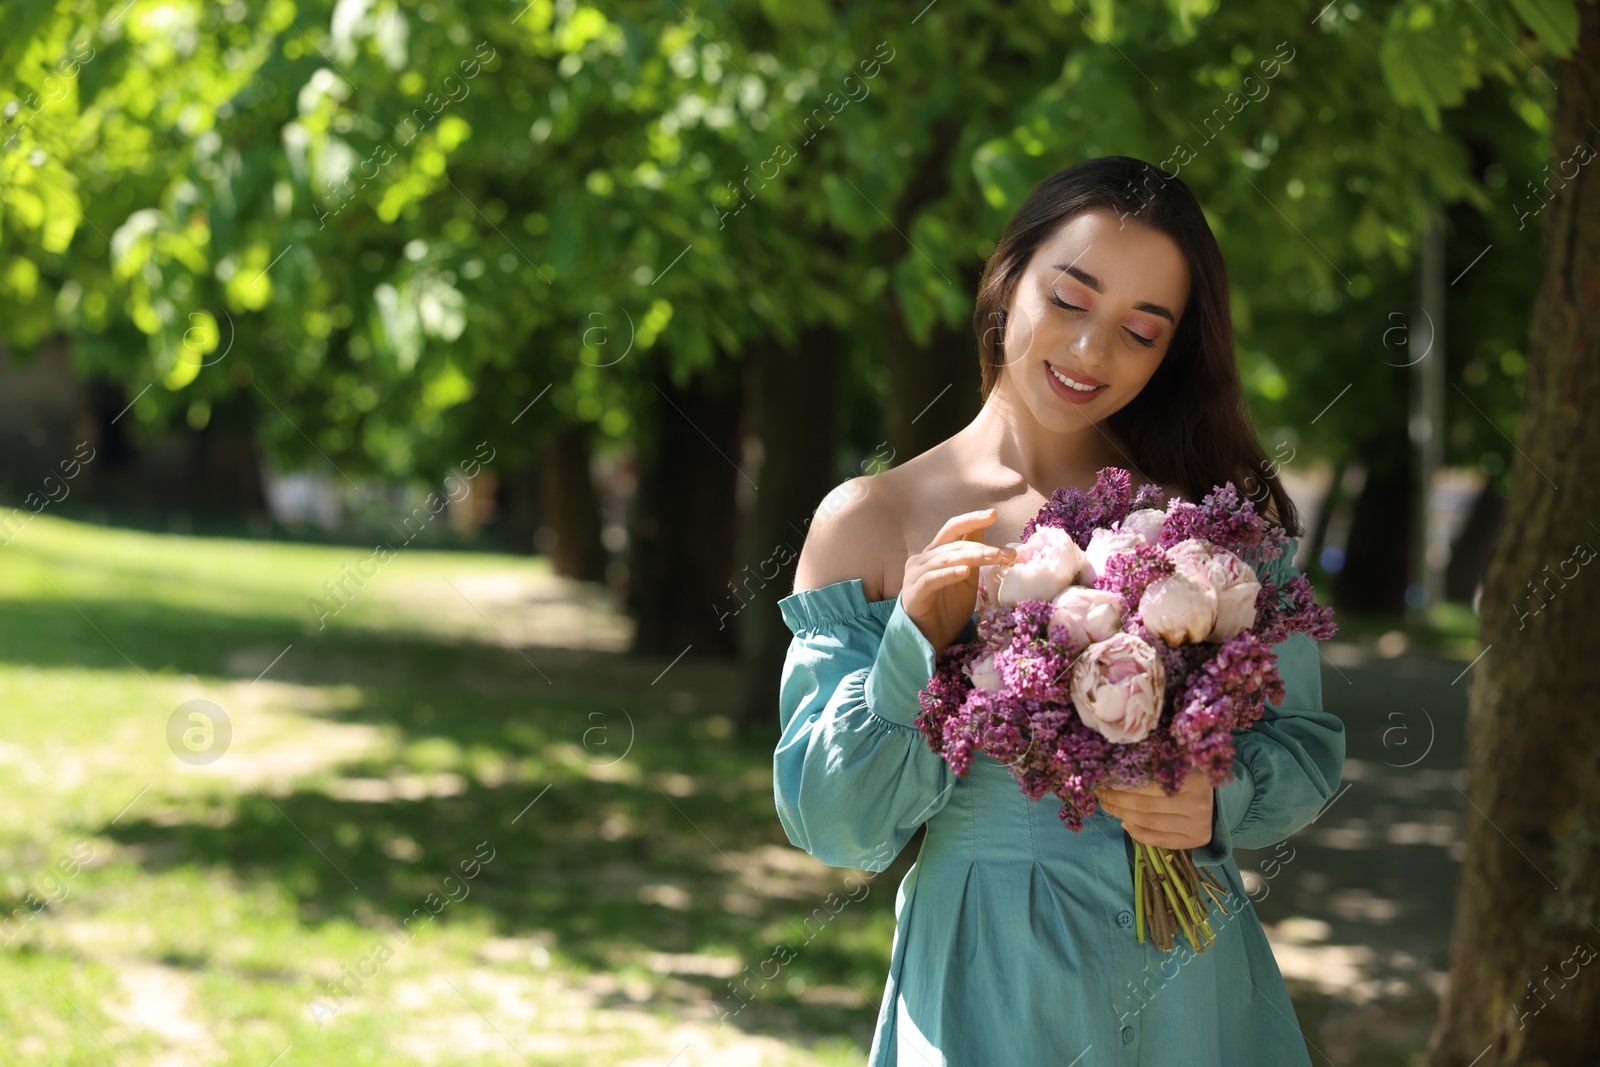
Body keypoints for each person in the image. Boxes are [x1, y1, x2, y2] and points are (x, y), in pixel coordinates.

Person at [773, 156, 1345, 1066]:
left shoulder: (1213, 514)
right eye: (1070, 299)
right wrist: (913, 642)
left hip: (1187, 986)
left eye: (1140, 330)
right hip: (988, 982)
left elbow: (1305, 749)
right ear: (1007, 279)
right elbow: (835, 826)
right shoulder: (870, 520)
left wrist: (1211, 798)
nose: (1090, 351)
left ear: (1173, 351)